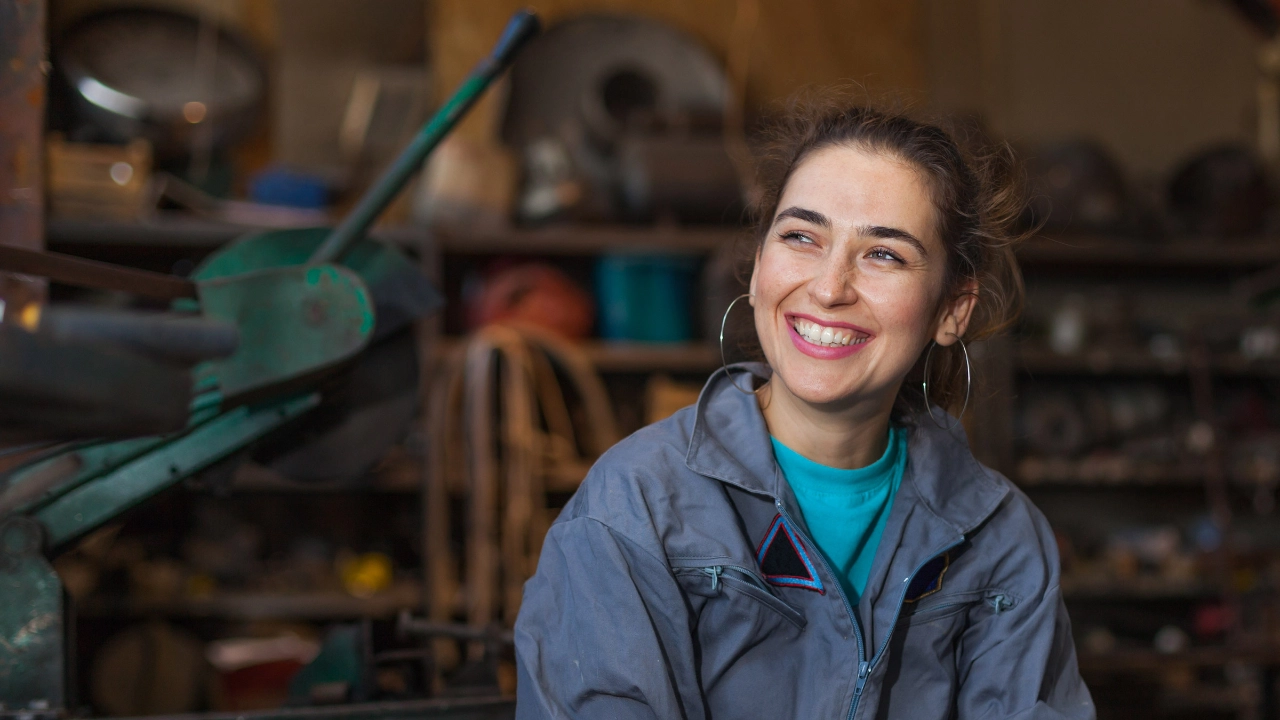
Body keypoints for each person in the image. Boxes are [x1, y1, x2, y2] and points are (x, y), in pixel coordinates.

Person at [514, 100, 1095, 720]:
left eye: (884, 254)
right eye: (801, 237)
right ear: (758, 267)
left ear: (952, 310)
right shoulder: (634, 508)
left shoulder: (1003, 538)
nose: (828, 287)